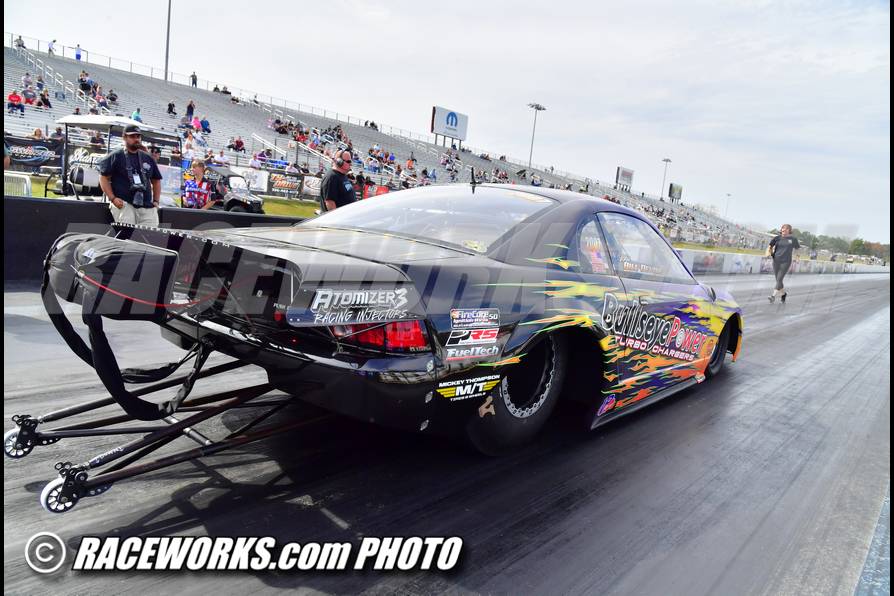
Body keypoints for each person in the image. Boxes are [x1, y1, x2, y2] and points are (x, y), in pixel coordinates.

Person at [98, 125, 162, 226]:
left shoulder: (148, 158)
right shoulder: (116, 156)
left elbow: (156, 180)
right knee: (128, 234)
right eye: (132, 136)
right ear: (124, 137)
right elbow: (103, 177)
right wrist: (112, 198)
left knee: (150, 234)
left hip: (146, 206)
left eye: (138, 136)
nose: (136, 139)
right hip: (124, 205)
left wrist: (156, 201)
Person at [767, 224, 800, 303]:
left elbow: (797, 249)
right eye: (783, 228)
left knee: (779, 279)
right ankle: (784, 294)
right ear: (781, 229)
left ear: (789, 231)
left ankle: (773, 296)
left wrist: (797, 257)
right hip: (776, 261)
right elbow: (770, 246)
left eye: (786, 229)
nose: (784, 230)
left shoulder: (793, 239)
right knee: (779, 281)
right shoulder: (777, 238)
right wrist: (769, 253)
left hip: (786, 262)